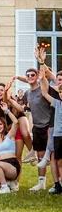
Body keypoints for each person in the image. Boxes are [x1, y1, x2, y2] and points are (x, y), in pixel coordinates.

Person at [40, 65, 62, 194]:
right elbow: (44, 90)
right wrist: (42, 66)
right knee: (56, 158)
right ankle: (57, 184)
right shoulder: (56, 100)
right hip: (56, 132)